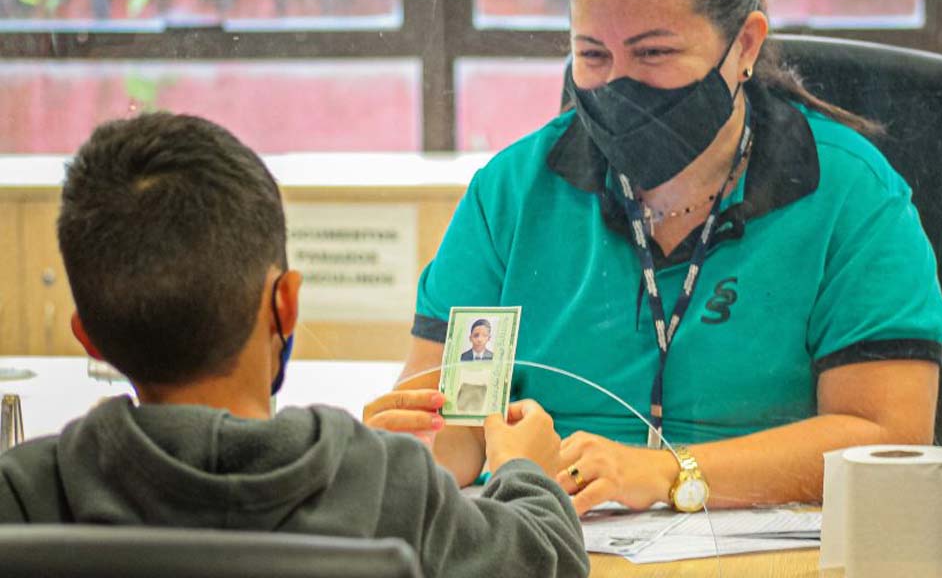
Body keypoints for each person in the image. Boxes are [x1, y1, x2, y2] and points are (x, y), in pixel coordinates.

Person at [365, 0, 942, 516]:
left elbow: (886, 436)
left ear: (744, 45)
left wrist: (667, 472)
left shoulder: (850, 194)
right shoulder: (513, 193)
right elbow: (457, 419)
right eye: (593, 55)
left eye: (653, 54)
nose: (619, 85)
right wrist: (414, 452)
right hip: (551, 536)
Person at [0, 113, 590, 578]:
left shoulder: (25, 495)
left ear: (91, 339)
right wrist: (525, 469)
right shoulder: (386, 486)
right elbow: (545, 561)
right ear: (286, 303)